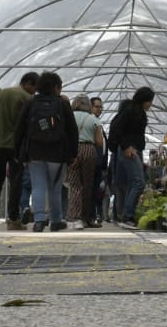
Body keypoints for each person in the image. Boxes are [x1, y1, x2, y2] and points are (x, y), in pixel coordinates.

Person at [15, 71, 79, 232]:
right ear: (56, 87)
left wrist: (19, 152)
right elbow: (72, 130)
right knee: (55, 188)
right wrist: (72, 154)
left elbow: (20, 129)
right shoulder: (62, 104)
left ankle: (39, 221)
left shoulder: (31, 103)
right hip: (57, 153)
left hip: (35, 152)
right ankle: (56, 220)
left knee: (38, 187)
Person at [0, 71, 38, 229]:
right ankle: (13, 219)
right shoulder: (28, 98)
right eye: (35, 88)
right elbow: (28, 125)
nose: (35, 91)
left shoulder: (1, 94)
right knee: (16, 182)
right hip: (16, 146)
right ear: (29, 84)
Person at [108, 87, 154, 227]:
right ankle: (127, 216)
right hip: (129, 150)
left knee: (133, 183)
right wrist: (126, 146)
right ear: (144, 100)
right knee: (138, 182)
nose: (150, 105)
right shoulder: (130, 111)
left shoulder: (136, 111)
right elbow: (116, 128)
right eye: (150, 101)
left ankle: (126, 216)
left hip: (134, 150)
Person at [65, 94, 105, 229]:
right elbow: (100, 142)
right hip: (89, 150)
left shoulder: (69, 116)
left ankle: (73, 219)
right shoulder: (93, 119)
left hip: (73, 150)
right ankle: (86, 217)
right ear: (88, 105)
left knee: (74, 185)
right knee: (87, 186)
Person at [89, 97, 107, 225]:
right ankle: (90, 216)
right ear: (90, 107)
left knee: (95, 191)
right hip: (92, 161)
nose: (99, 109)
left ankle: (93, 216)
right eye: (97, 106)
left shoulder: (98, 123)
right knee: (91, 190)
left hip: (99, 163)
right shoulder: (91, 122)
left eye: (101, 107)